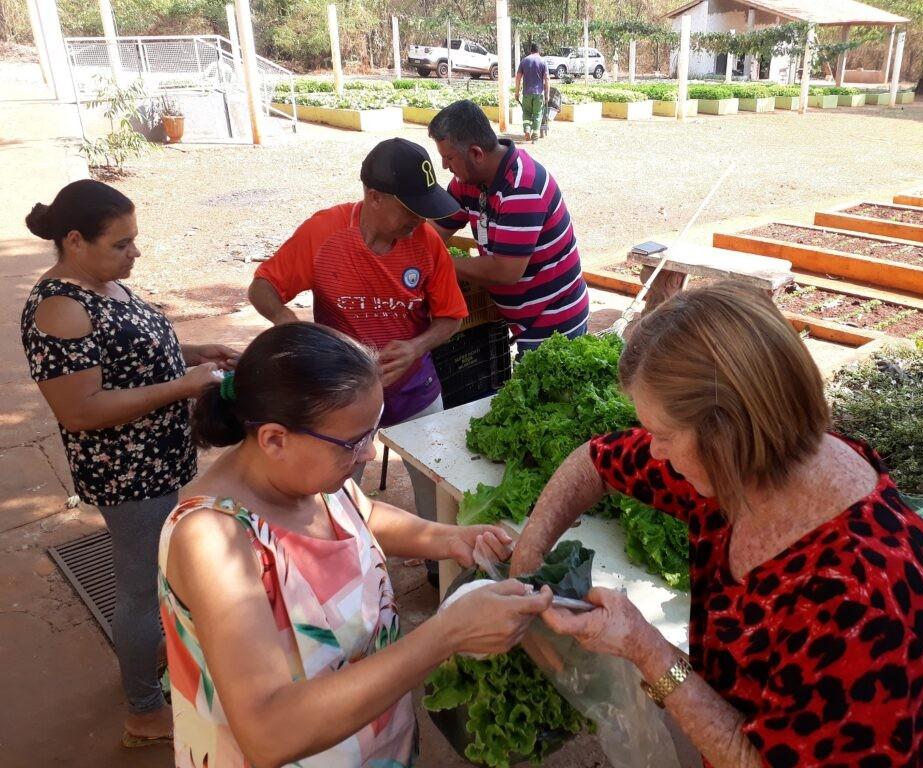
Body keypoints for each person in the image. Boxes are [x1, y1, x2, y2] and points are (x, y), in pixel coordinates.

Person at [512, 281, 923, 767]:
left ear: (727, 433)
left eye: (663, 434)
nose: (653, 451)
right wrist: (528, 553)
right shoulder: (746, 469)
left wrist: (646, 649)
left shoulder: (857, 598)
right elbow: (595, 460)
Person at [158, 321, 553, 767]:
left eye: (372, 431)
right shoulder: (212, 539)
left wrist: (450, 538)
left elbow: (362, 515)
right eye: (354, 441)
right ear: (274, 439)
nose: (368, 453)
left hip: (375, 740)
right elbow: (267, 733)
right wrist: (447, 634)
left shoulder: (311, 477)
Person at [20, 179, 238, 748]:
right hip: (128, 472)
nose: (134, 252)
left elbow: (134, 350)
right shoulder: (60, 308)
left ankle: (167, 670)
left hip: (159, 457)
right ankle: (144, 711)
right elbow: (81, 409)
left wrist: (196, 354)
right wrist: (180, 387)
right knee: (141, 588)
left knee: (166, 574)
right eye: (121, 243)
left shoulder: (104, 283)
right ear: (74, 241)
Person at [248, 138, 467, 582]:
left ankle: (439, 571)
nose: (419, 221)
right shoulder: (324, 233)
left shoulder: (426, 245)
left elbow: (451, 317)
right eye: (410, 210)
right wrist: (288, 322)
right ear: (373, 197)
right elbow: (262, 286)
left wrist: (417, 346)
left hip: (413, 387)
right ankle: (347, 570)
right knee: (339, 493)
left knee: (437, 483)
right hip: (342, 396)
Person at [428, 100, 589, 354]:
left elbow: (506, 271)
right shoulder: (467, 180)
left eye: (449, 158)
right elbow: (437, 230)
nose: (445, 167)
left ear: (476, 154)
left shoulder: (522, 188)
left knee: (548, 390)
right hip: (521, 318)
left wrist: (437, 265)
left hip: (554, 321)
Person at [516, 42, 549, 142]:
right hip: (538, 93)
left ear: (531, 50)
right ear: (539, 51)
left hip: (526, 93)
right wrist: (547, 94)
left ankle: (527, 129)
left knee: (526, 112)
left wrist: (517, 92)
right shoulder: (543, 62)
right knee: (538, 113)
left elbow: (518, 78)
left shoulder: (524, 60)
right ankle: (535, 133)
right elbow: (546, 79)